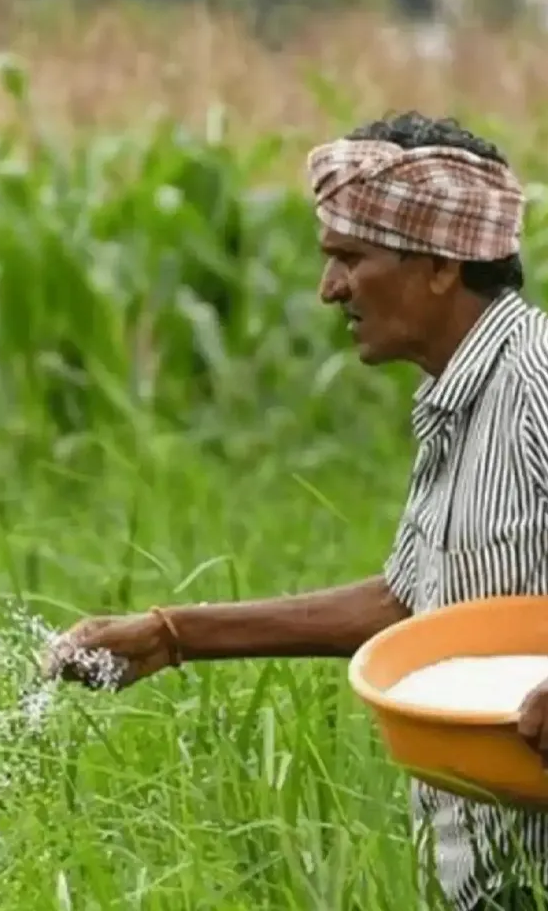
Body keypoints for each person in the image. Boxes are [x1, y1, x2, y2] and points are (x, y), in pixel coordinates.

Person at [41, 111, 548, 911]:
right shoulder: (457, 401)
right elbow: (411, 606)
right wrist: (172, 636)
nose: (329, 289)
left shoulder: (536, 381)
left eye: (351, 258)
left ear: (442, 265)